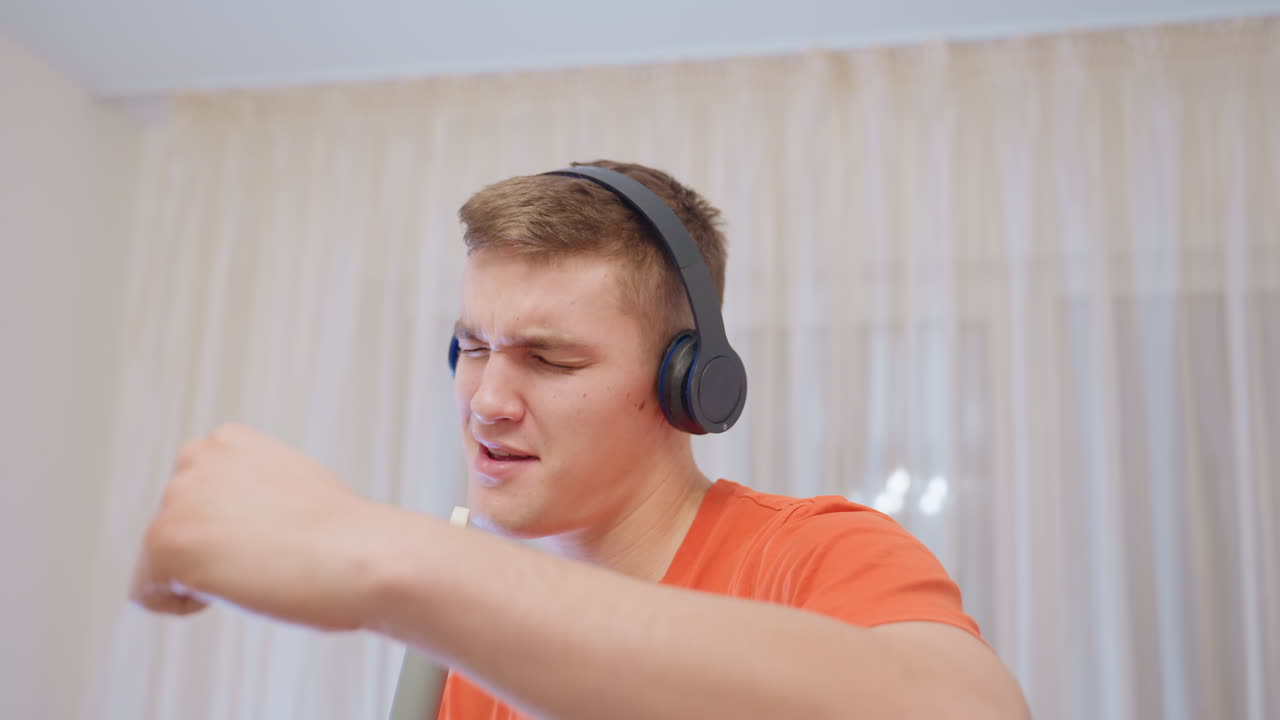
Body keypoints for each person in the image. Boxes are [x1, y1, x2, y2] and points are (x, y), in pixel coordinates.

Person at [131, 160, 1030, 719]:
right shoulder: (469, 648)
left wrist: (383, 557)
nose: (485, 400)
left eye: (549, 360)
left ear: (690, 384)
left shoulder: (819, 556)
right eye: (471, 347)